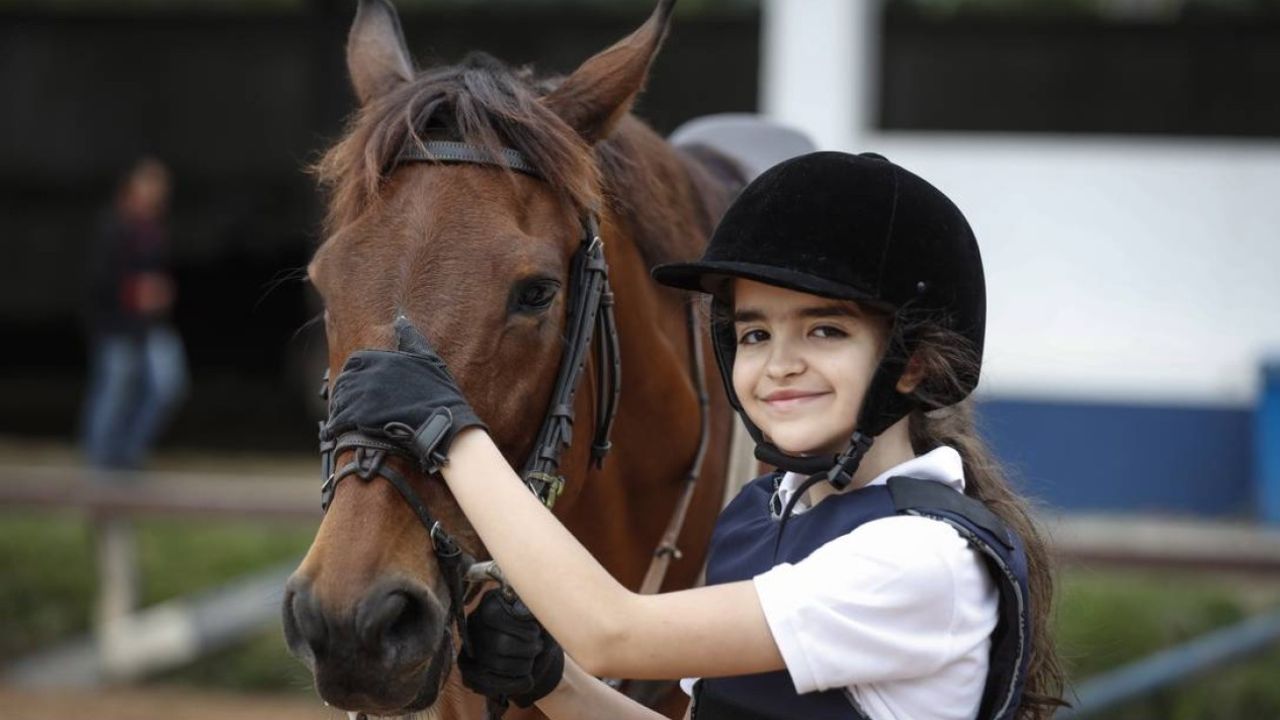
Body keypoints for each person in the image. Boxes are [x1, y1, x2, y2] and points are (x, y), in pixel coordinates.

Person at [323, 151, 1065, 719]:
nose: (780, 365)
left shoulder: (922, 561)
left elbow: (614, 632)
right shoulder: (764, 515)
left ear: (916, 363)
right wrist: (555, 685)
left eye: (826, 330)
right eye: (753, 333)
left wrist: (447, 429)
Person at [81, 156, 188, 471]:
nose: (156, 193)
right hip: (117, 328)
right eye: (149, 185)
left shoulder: (154, 230)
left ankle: (126, 457)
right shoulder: (113, 228)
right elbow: (98, 282)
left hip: (150, 327)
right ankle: (99, 469)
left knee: (168, 386)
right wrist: (135, 293)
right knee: (112, 396)